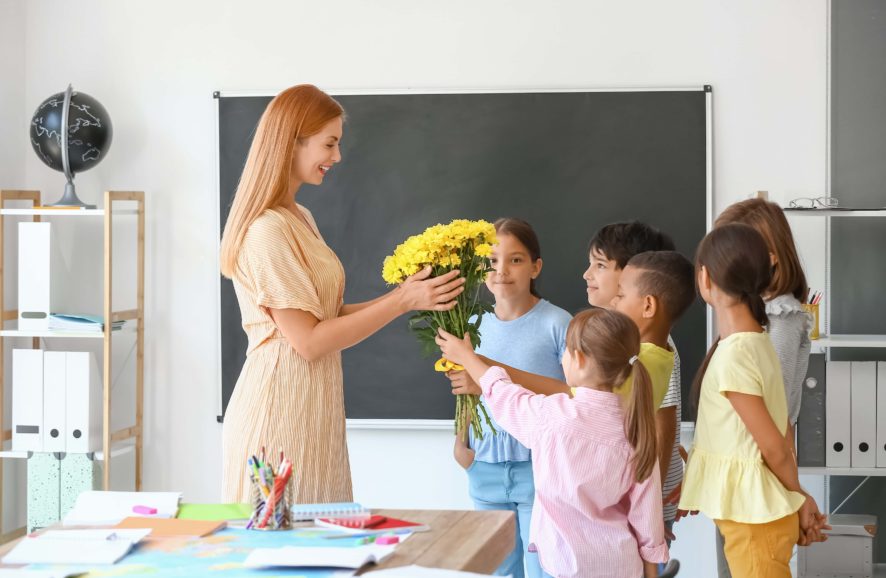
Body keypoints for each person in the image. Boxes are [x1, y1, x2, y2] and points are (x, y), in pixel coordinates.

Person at [218, 84, 464, 502]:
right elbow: (309, 341)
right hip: (279, 411)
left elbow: (325, 316)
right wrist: (401, 300)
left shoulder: (300, 217)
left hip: (312, 409)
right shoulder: (267, 231)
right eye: (329, 144)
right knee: (286, 551)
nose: (337, 157)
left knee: (321, 547)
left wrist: (409, 295)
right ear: (291, 142)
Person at [437, 308, 669, 578]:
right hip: (622, 565)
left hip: (564, 566)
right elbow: (648, 519)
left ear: (578, 359)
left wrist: (466, 356)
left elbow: (504, 394)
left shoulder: (552, 416)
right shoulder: (637, 428)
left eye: (566, 353)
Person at [677, 224, 828, 578]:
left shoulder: (736, 352)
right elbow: (774, 431)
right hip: (754, 515)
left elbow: (773, 446)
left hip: (756, 519)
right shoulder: (755, 341)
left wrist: (799, 497)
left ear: (705, 278)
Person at [449, 218, 571, 578]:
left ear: (536, 266)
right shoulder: (471, 322)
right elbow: (461, 389)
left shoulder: (557, 323)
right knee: (499, 572)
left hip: (540, 468)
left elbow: (573, 394)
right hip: (484, 465)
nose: (501, 270)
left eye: (516, 260)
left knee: (543, 570)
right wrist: (461, 445)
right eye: (491, 260)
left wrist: (490, 380)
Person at [712, 197, 813, 578]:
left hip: (760, 475)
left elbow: (776, 418)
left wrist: (797, 494)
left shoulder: (780, 318)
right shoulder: (746, 315)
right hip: (743, 476)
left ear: (768, 257)